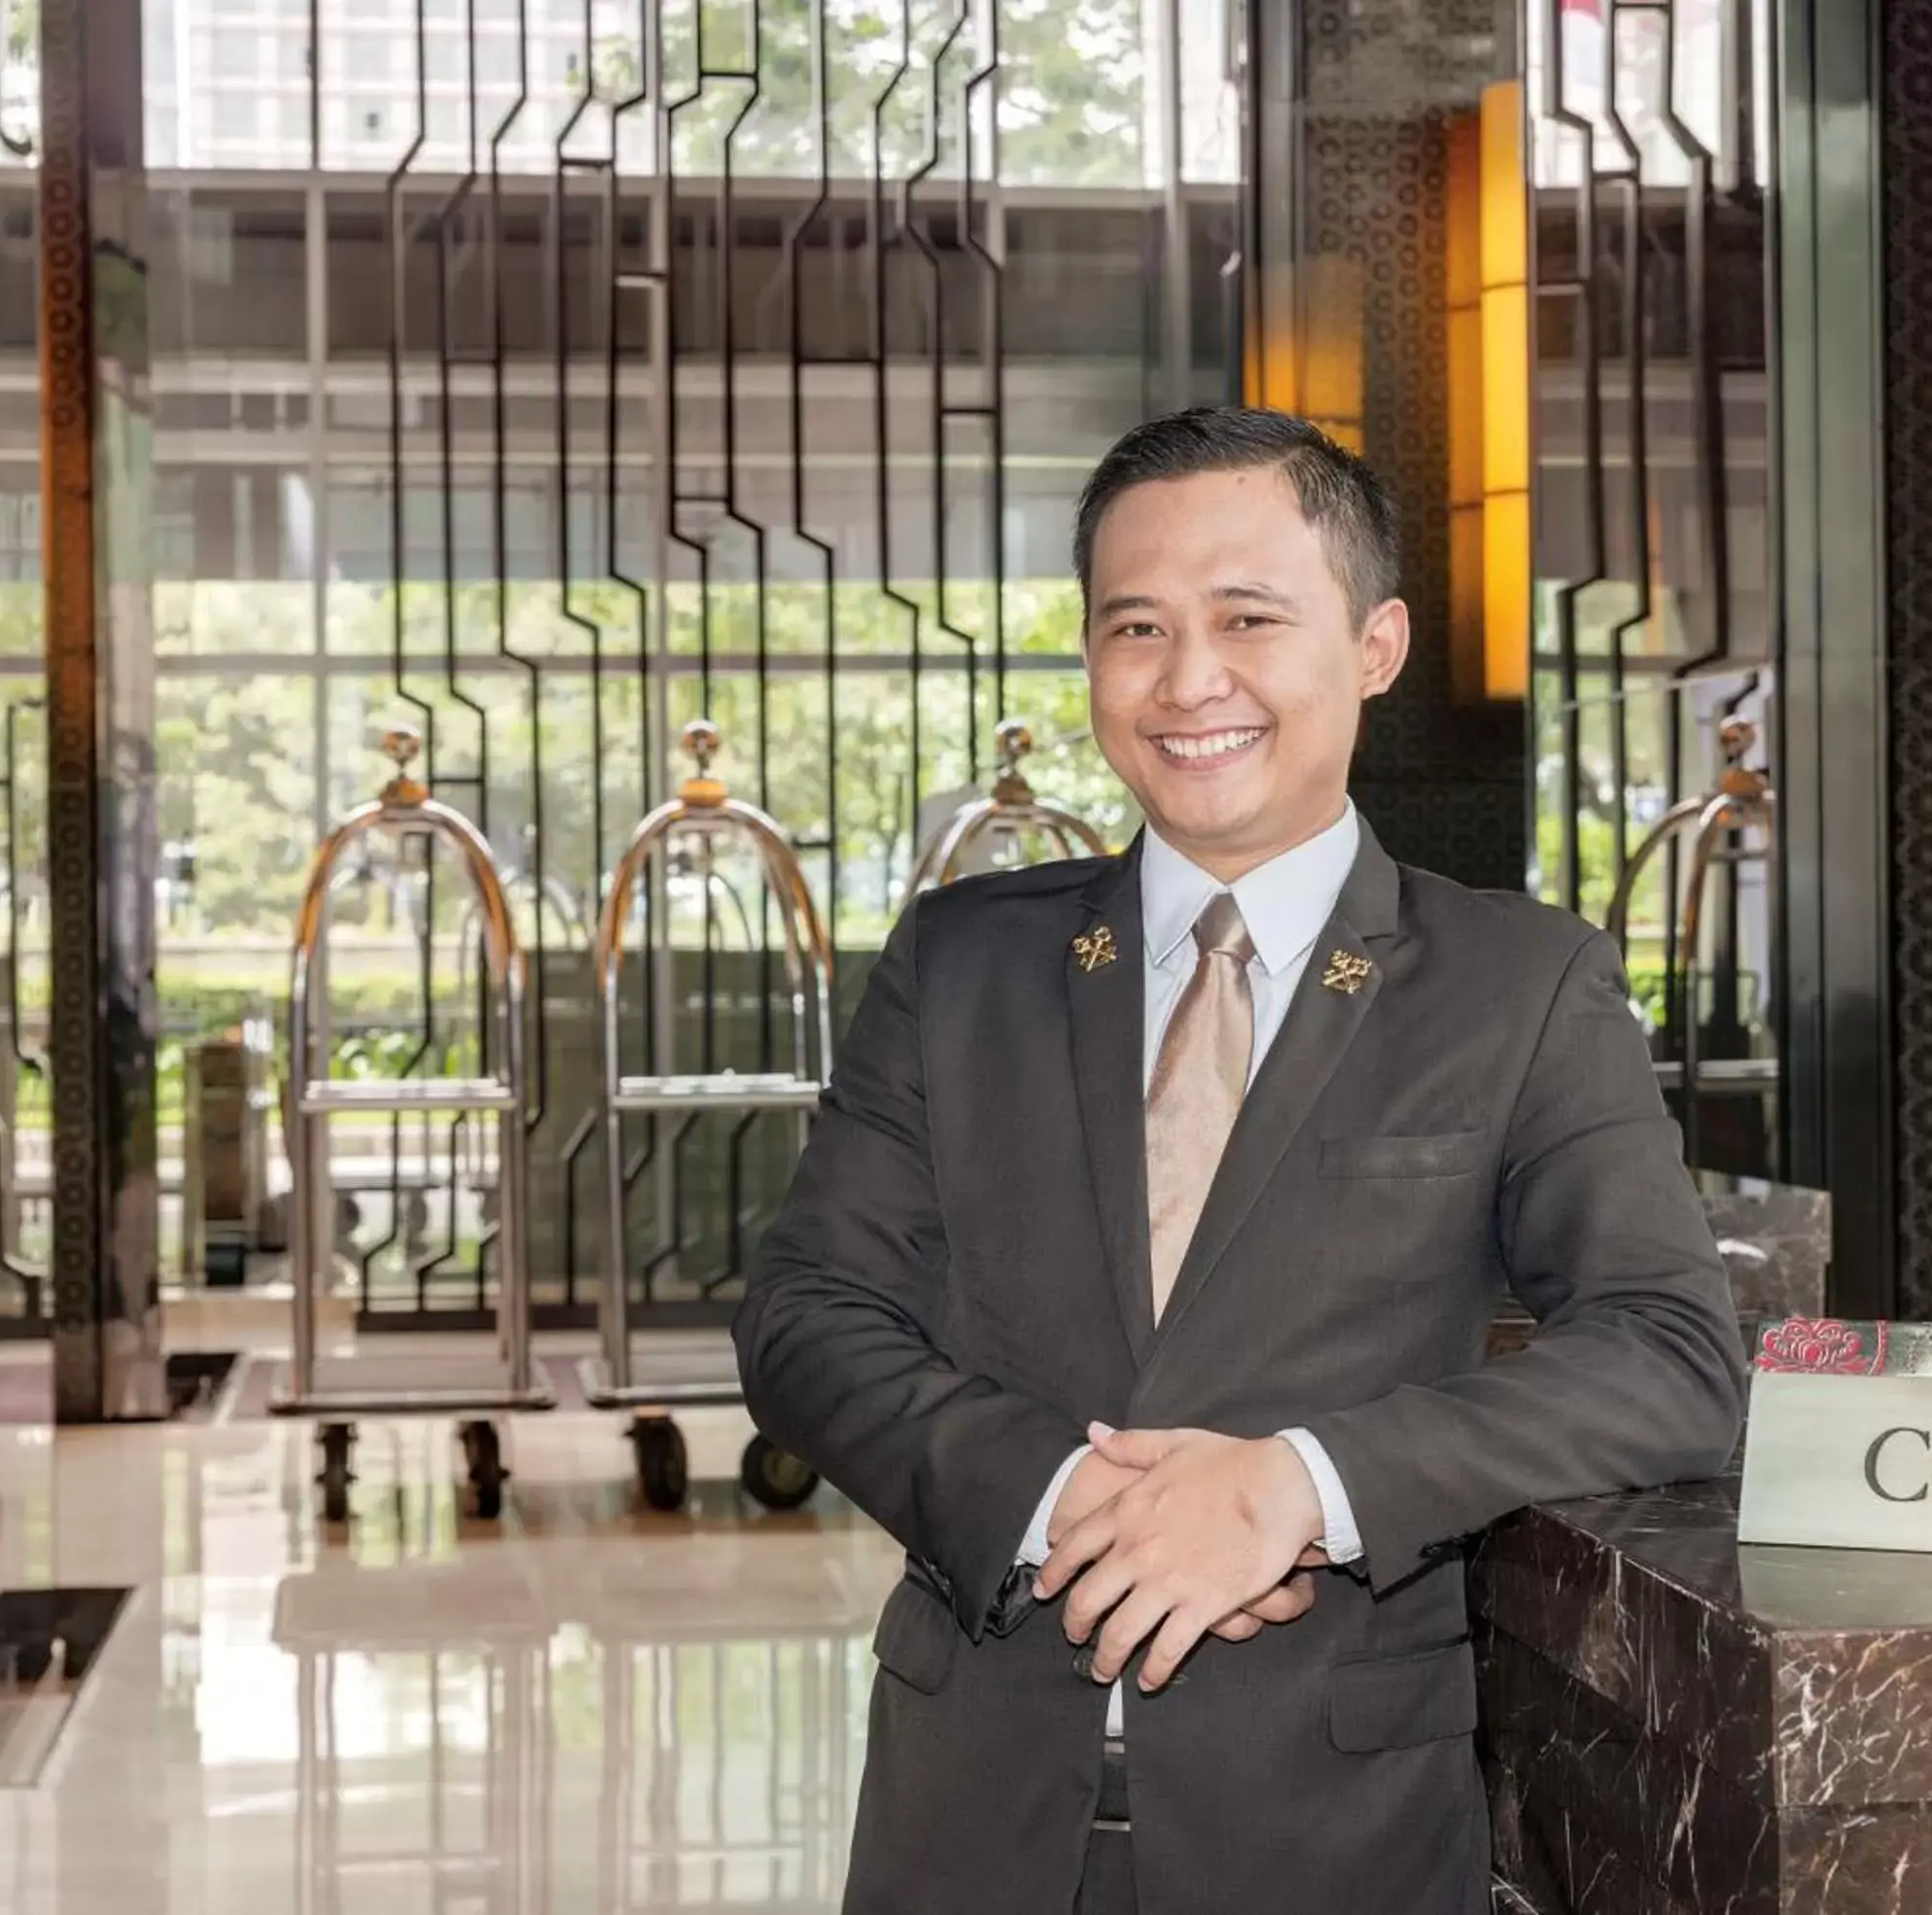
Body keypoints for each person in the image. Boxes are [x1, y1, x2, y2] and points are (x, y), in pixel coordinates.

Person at [733, 406, 1744, 1915]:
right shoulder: (964, 964)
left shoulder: (1515, 983)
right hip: (974, 1816)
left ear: (1376, 643)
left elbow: (1669, 1352)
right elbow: (806, 1315)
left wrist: (1301, 1485)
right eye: (1135, 626)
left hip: (1336, 1818)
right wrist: (1061, 1496)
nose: (1189, 678)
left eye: (1249, 619)